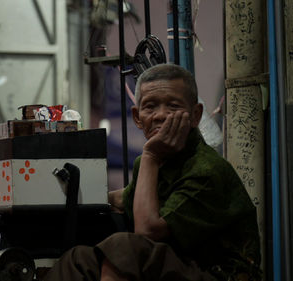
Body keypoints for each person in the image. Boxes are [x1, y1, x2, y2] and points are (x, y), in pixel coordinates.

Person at [43, 64, 261, 281]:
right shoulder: (155, 162)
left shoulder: (206, 170)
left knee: (125, 247)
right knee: (79, 259)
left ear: (195, 116)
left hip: (221, 274)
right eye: (150, 107)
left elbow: (147, 232)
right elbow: (125, 198)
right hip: (184, 264)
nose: (161, 115)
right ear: (138, 118)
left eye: (173, 106)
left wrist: (151, 157)